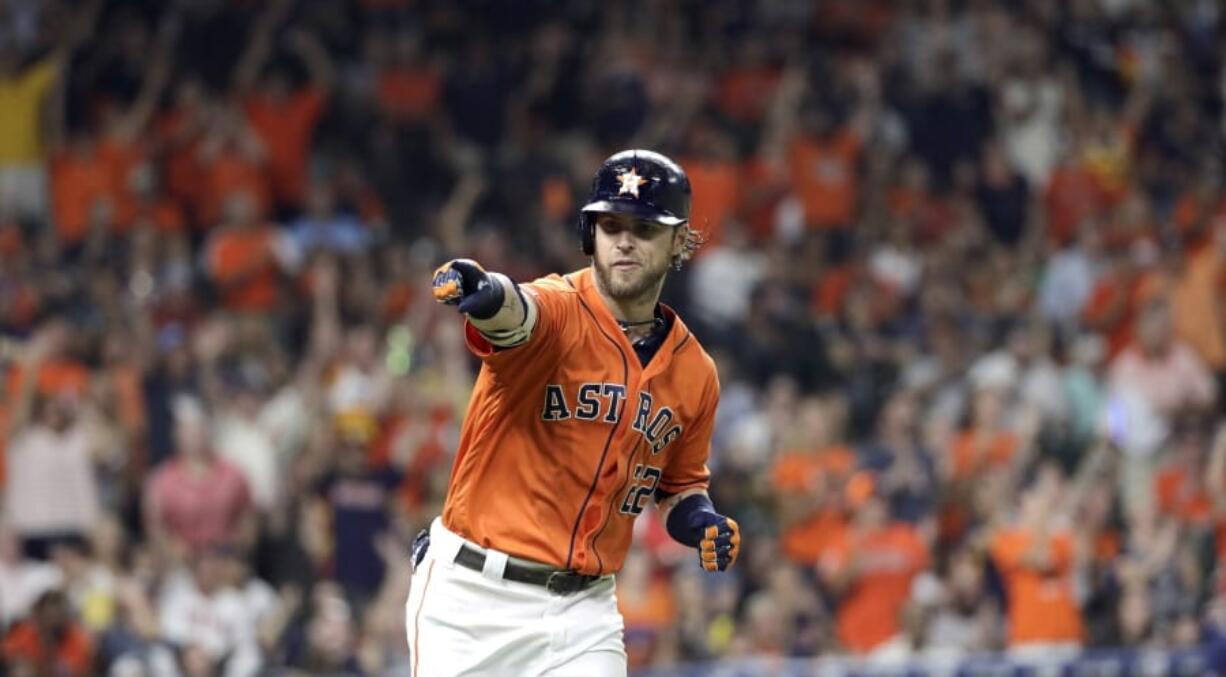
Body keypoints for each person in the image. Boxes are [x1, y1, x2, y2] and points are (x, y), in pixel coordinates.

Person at [407, 150, 741, 676]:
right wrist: (485, 290)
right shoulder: (560, 308)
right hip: (473, 599)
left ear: (679, 241)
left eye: (644, 227)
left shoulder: (696, 372)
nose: (625, 240)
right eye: (611, 225)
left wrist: (700, 521)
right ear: (591, 235)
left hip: (584, 612)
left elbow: (679, 486)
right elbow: (517, 314)